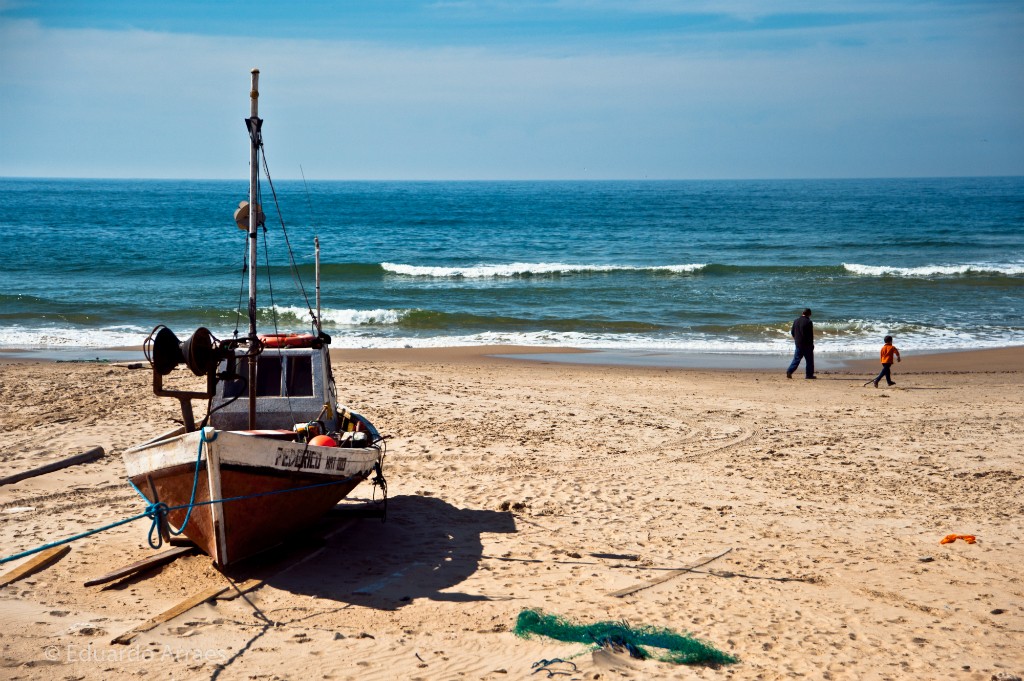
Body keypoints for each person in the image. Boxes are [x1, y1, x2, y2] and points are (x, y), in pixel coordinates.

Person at [786, 308, 815, 379]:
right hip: (807, 344)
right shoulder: (808, 322)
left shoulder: (796, 321)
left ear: (802, 312)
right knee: (809, 361)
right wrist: (811, 345)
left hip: (798, 343)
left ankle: (789, 371)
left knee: (796, 359)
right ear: (809, 314)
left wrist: (796, 339)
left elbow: (792, 332)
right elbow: (810, 335)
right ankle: (809, 375)